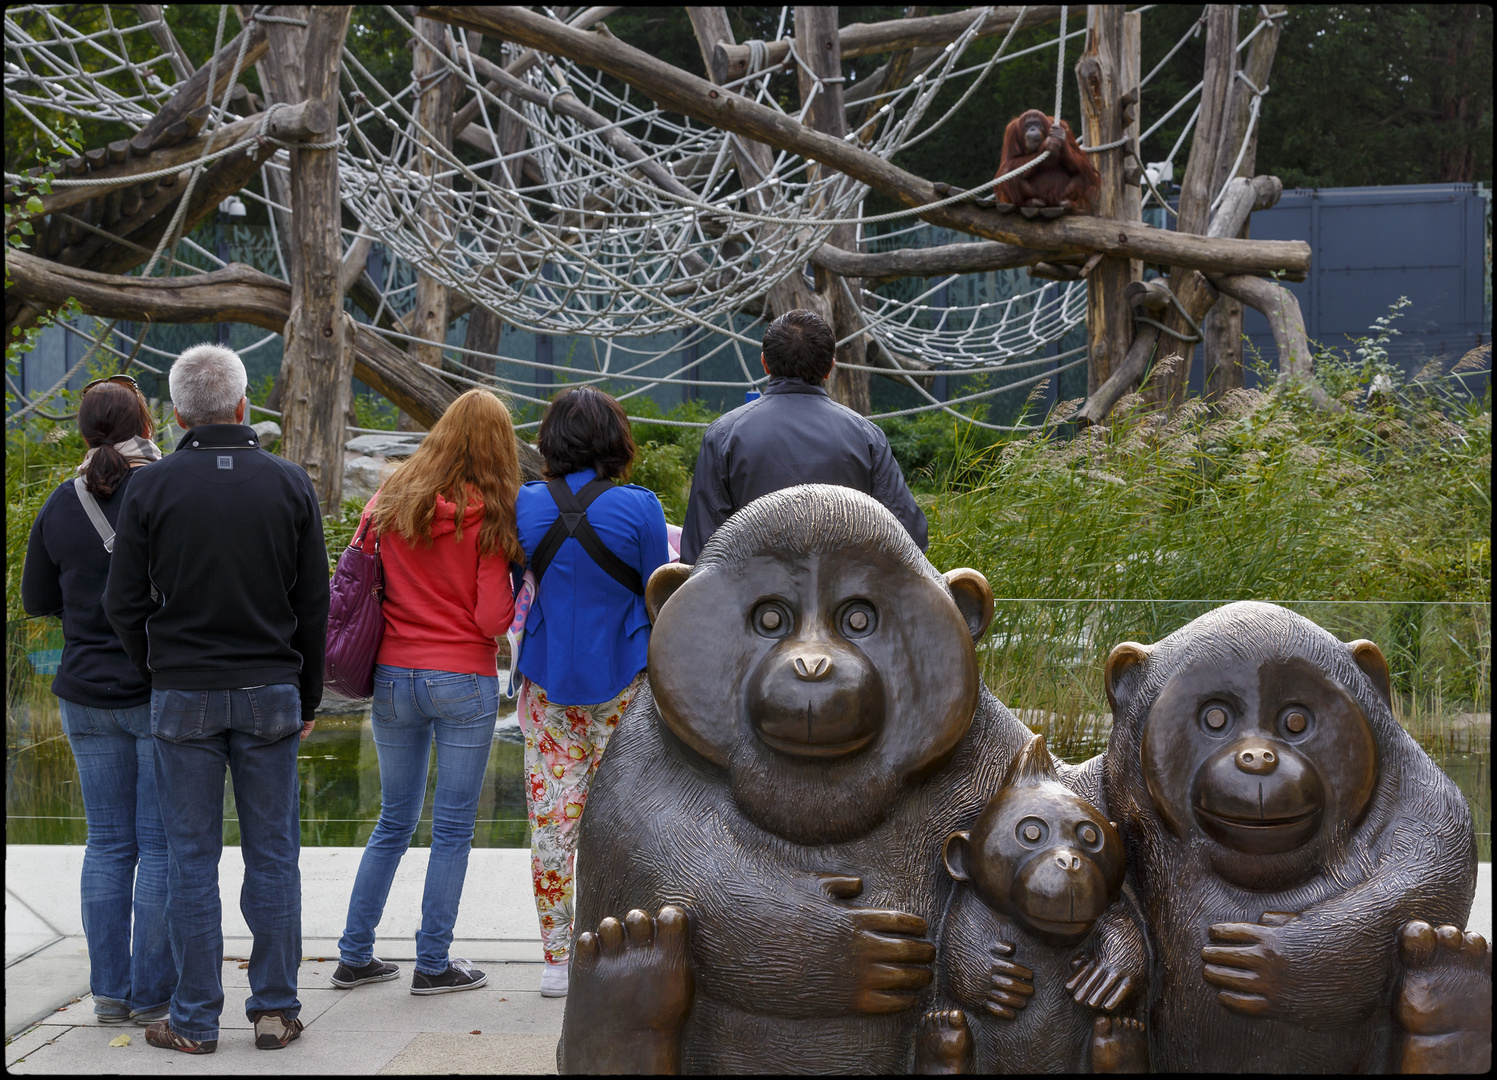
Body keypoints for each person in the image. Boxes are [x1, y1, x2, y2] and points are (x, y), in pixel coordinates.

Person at [103, 344, 329, 1055]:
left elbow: (122, 601)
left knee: (191, 859)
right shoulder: (290, 484)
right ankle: (274, 1010)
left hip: (183, 691)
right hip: (270, 692)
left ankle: (195, 1019)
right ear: (242, 404)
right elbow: (313, 605)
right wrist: (308, 692)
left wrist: (151, 667)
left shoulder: (151, 489)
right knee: (274, 856)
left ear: (175, 414)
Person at [333, 388, 522, 997]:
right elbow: (495, 619)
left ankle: (354, 955)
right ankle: (433, 964)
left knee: (392, 820)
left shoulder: (390, 500)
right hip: (462, 679)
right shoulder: (488, 515)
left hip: (392, 676)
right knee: (452, 828)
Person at [21, 375, 176, 1027]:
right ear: (146, 424)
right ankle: (152, 996)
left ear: (85, 433)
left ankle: (109, 994)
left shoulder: (61, 502)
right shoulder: (166, 491)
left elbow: (36, 601)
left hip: (83, 691)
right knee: (161, 846)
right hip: (154, 687)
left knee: (108, 844)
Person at [514, 386, 669, 998]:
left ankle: (557, 961)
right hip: (626, 686)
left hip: (551, 687)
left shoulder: (525, 505)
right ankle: (627, 950)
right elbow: (661, 598)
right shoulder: (640, 508)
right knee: (633, 823)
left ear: (551, 440)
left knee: (553, 825)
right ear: (616, 440)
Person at [678, 308, 928, 563]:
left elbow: (700, 549)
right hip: (847, 596)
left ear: (764, 363)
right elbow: (911, 535)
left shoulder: (723, 435)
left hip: (755, 597)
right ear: (830, 368)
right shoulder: (867, 436)